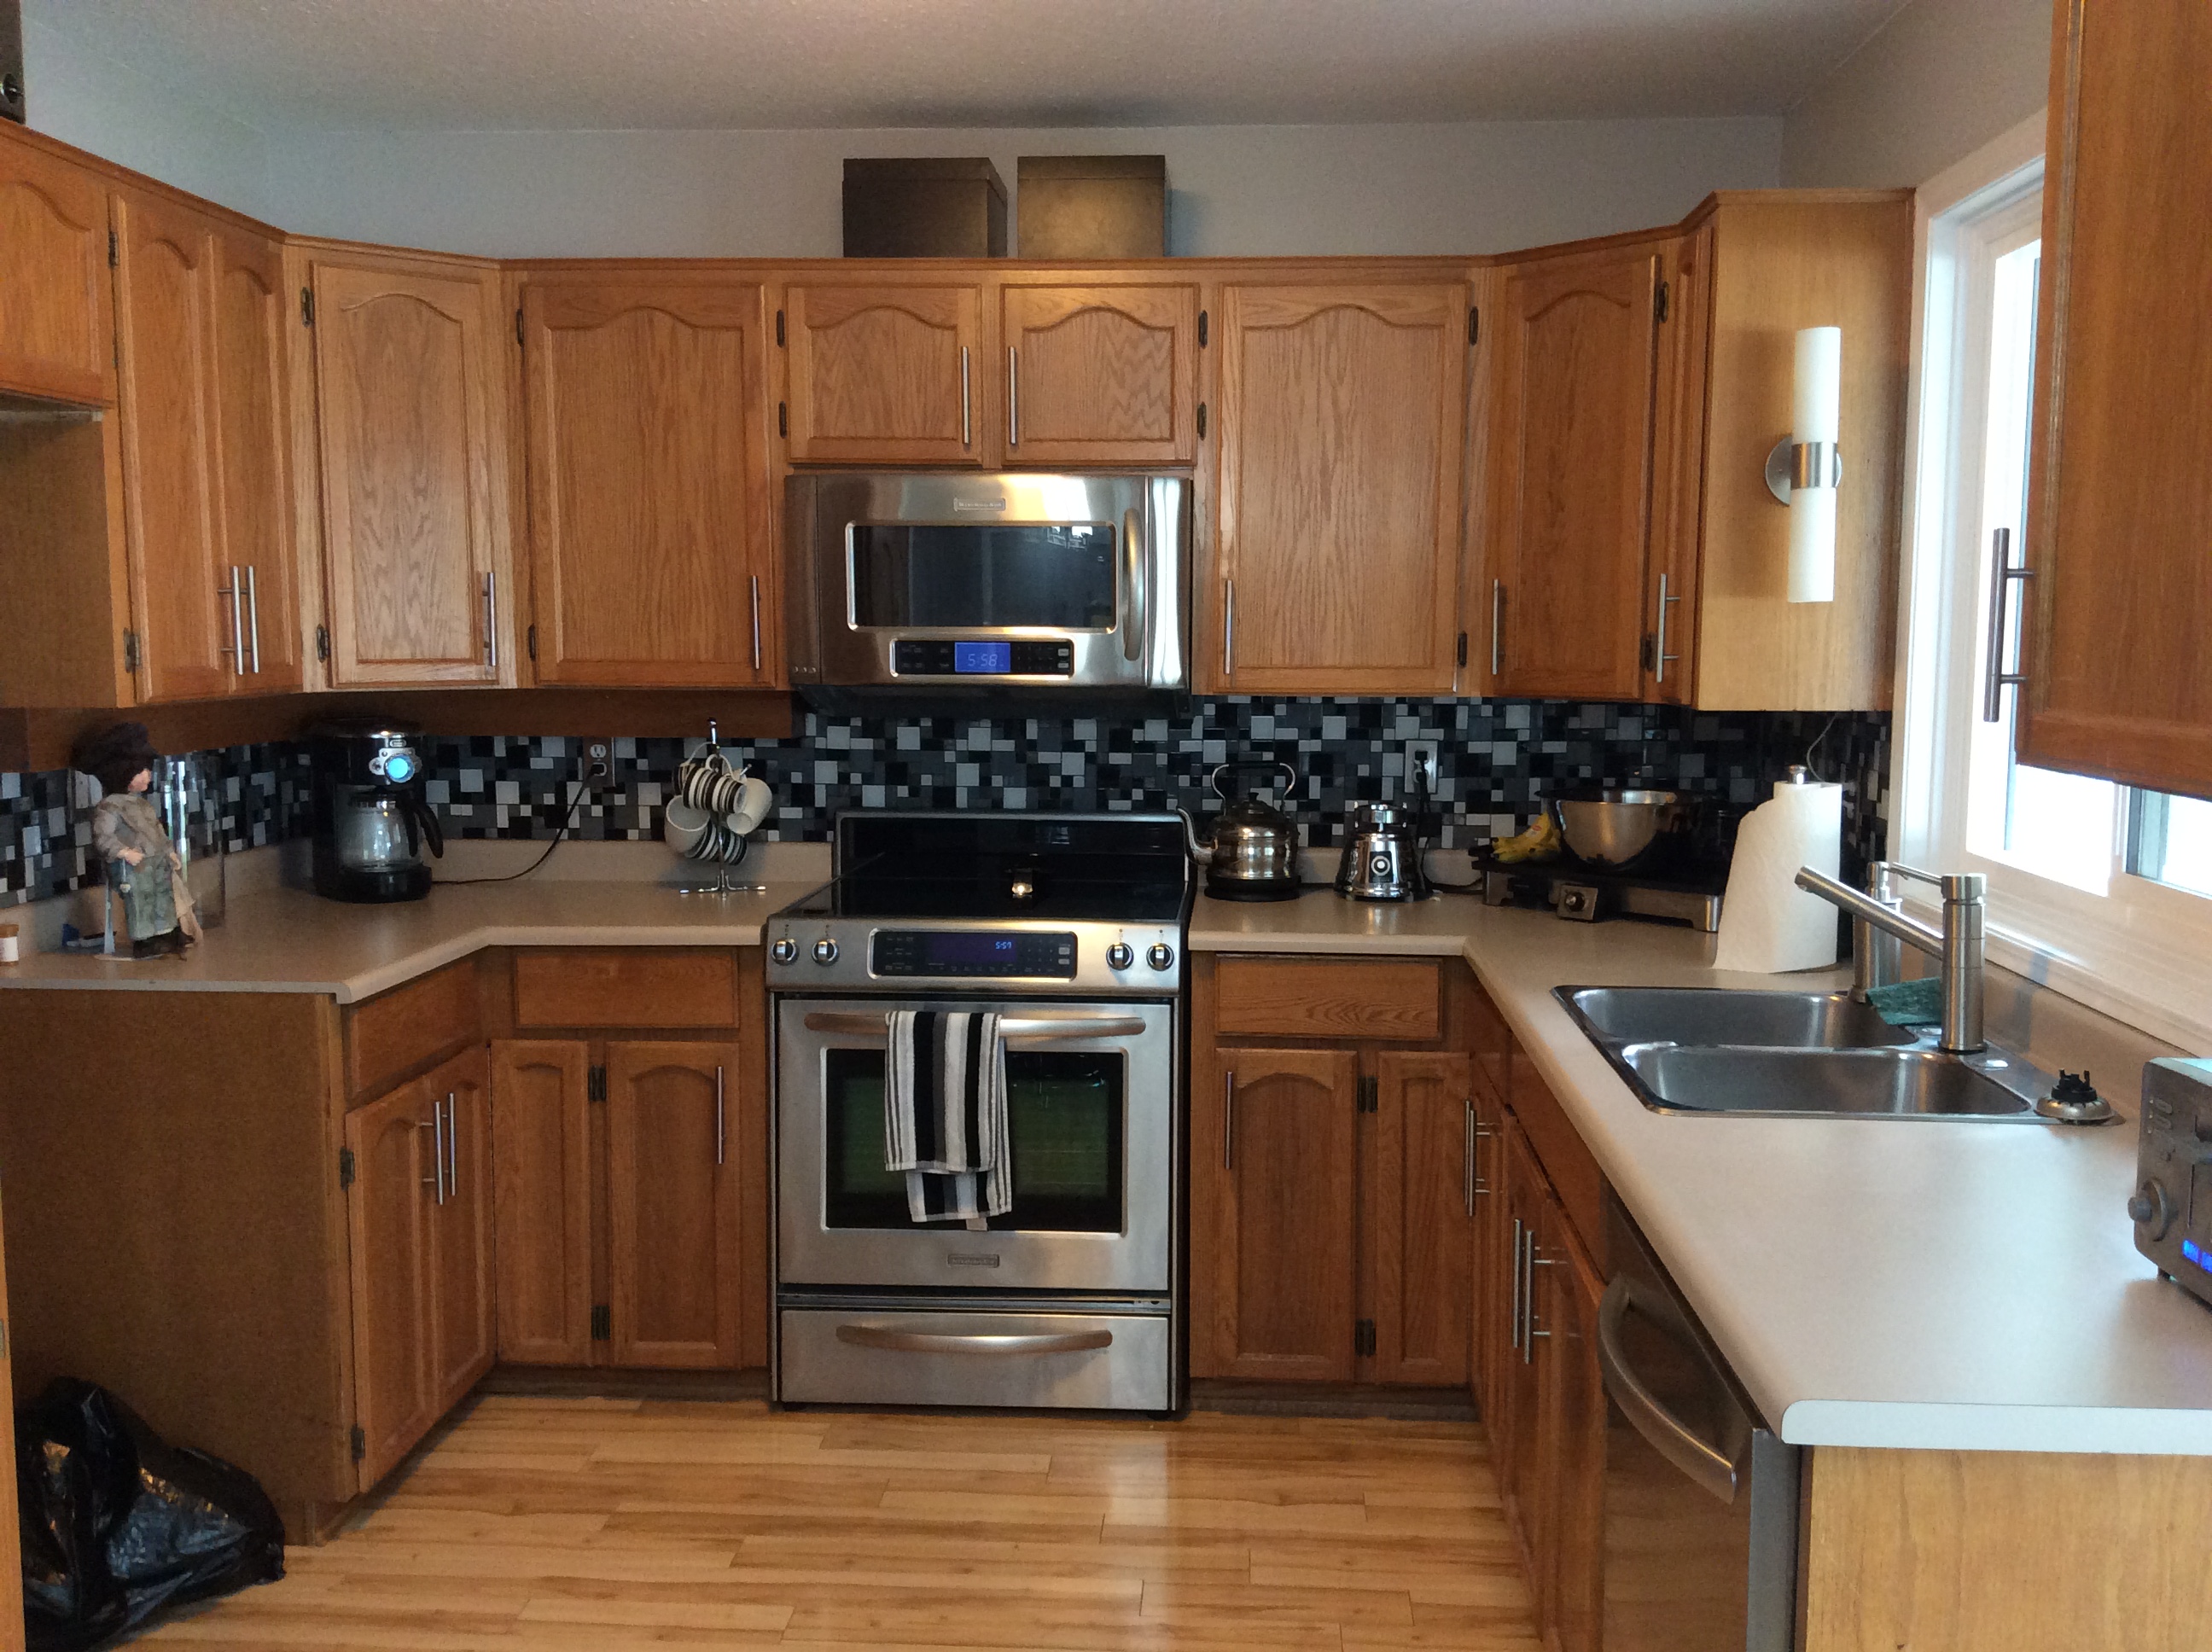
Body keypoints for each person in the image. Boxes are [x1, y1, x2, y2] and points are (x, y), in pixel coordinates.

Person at [72, 724, 201, 960]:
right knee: (141, 903)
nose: (148, 775)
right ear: (124, 774)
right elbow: (103, 838)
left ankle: (169, 933)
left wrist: (169, 852)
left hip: (155, 863)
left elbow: (157, 832)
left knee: (164, 897)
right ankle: (145, 941)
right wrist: (123, 852)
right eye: (142, 771)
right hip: (132, 868)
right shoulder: (109, 807)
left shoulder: (141, 804)